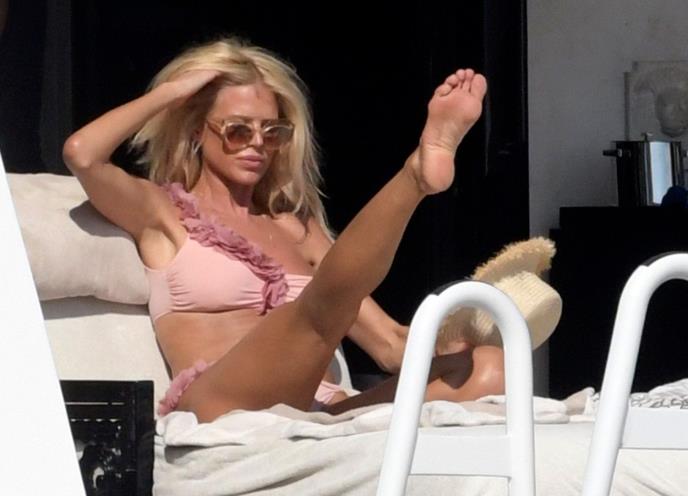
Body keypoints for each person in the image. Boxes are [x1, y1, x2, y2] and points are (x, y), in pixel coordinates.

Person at [63, 37, 504, 423]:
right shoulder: (162, 212)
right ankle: (415, 177)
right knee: (319, 304)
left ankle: (422, 181)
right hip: (222, 404)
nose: (257, 143)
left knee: (486, 368)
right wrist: (171, 94)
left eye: (271, 132)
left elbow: (389, 345)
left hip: (318, 410)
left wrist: (452, 343)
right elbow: (82, 154)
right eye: (238, 130)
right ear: (197, 131)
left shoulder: (295, 229)